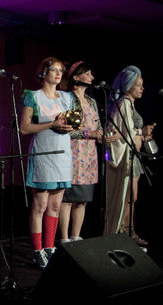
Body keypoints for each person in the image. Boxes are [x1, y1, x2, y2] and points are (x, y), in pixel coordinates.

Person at [20, 57, 74, 269]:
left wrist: (70, 127)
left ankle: (50, 247)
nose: (58, 74)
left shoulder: (66, 98)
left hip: (62, 155)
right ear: (43, 73)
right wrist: (52, 124)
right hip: (43, 154)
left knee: (55, 206)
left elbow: (72, 122)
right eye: (54, 70)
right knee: (40, 205)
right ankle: (37, 250)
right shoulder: (33, 96)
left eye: (61, 70)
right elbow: (24, 128)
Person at [58, 61, 111, 243]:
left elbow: (97, 126)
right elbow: (68, 130)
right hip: (73, 153)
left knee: (83, 199)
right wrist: (90, 133)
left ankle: (75, 235)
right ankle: (64, 238)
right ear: (76, 77)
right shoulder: (67, 98)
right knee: (68, 199)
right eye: (88, 73)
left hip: (89, 155)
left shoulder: (91, 101)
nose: (92, 77)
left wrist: (103, 136)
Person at [104, 65, 155, 245]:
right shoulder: (124, 103)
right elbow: (124, 132)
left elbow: (131, 131)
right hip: (126, 156)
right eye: (138, 85)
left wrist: (143, 134)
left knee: (132, 197)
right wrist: (141, 130)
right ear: (128, 86)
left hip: (134, 156)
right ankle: (122, 232)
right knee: (127, 195)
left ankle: (128, 231)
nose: (142, 88)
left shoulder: (130, 104)